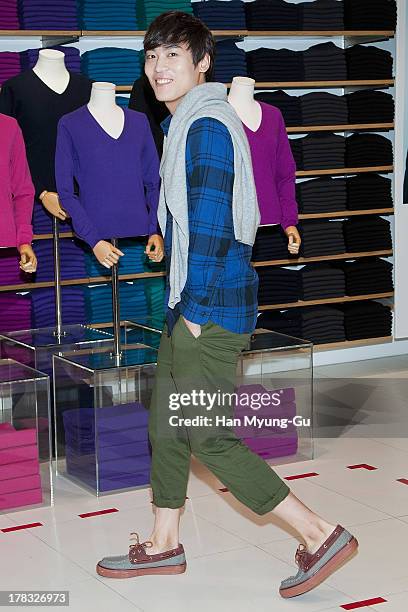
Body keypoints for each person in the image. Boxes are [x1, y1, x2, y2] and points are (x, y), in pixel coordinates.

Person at [96, 11, 359, 598]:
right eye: (152, 56)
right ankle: (163, 544)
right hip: (190, 301)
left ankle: (318, 533)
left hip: (206, 307)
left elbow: (214, 229)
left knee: (208, 436)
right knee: (167, 424)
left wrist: (191, 310)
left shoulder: (205, 125)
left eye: (173, 54)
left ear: (202, 62)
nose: (160, 66)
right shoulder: (187, 123)